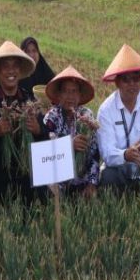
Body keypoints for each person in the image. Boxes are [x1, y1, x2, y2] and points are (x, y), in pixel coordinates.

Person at [0, 41, 45, 206]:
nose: (11, 71)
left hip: (26, 176)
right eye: (6, 66)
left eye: (15, 66)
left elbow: (44, 137)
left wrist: (37, 130)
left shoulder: (30, 100)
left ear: (20, 71)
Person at [95, 44, 140, 193]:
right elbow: (107, 152)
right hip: (119, 169)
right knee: (108, 178)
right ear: (117, 82)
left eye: (136, 79)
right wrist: (126, 155)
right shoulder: (106, 110)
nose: (132, 84)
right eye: (127, 80)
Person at [42, 66, 100, 198]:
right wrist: (68, 145)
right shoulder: (51, 118)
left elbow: (95, 154)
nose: (70, 96)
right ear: (58, 95)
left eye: (74, 91)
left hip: (82, 179)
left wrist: (91, 184)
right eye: (66, 91)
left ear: (80, 95)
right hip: (58, 180)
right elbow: (45, 153)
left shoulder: (86, 116)